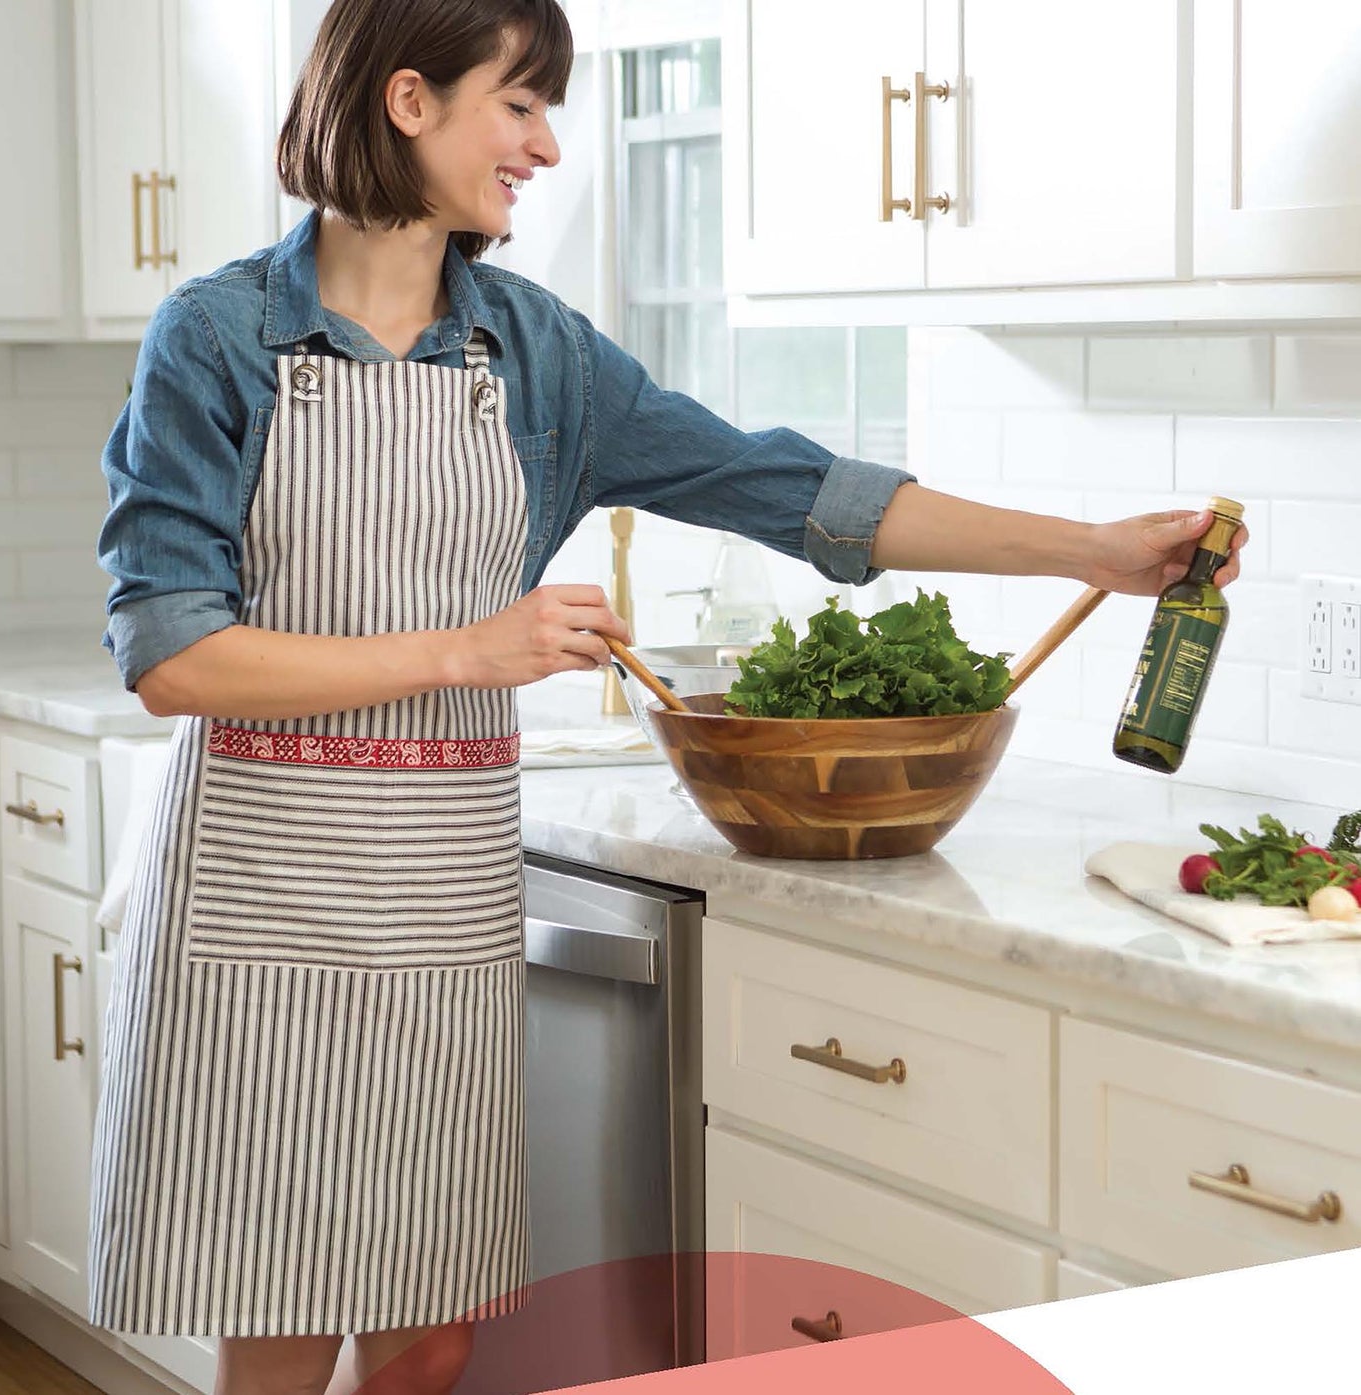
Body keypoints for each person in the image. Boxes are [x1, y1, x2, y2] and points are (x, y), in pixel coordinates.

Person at [89, 2, 1247, 1393]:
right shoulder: (217, 339)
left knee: (435, 1330)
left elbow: (797, 491)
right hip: (266, 899)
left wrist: (1091, 553)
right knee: (278, 1324)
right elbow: (172, 654)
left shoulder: (535, 356)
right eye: (519, 106)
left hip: (441, 895)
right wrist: (468, 650)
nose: (546, 145)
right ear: (409, 100)